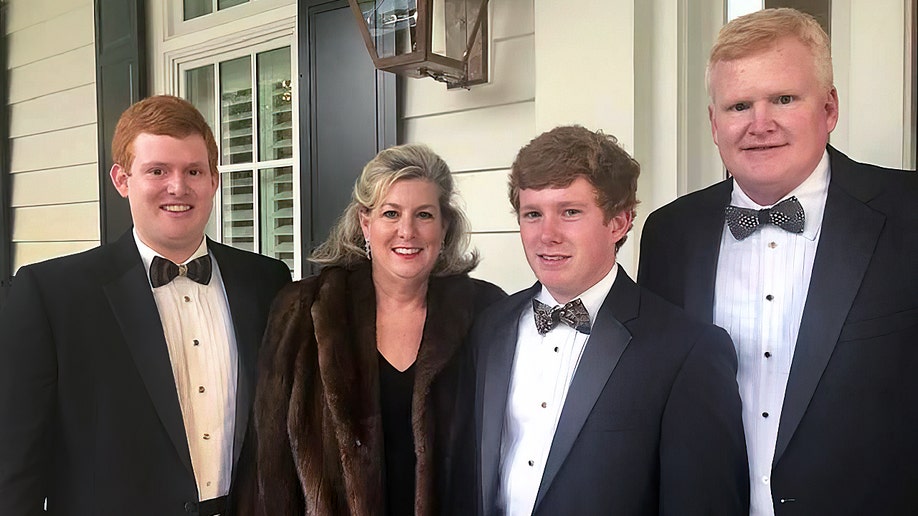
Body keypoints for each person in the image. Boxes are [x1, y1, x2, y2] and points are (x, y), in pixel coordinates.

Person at [638, 8, 918, 516]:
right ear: (714, 123)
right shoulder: (668, 234)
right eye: (739, 105)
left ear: (829, 109)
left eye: (784, 99)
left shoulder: (910, 214)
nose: (759, 124)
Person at [0, 95, 291, 516]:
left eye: (194, 171)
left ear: (214, 181)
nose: (179, 187)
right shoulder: (51, 295)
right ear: (122, 180)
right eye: (158, 171)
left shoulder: (267, 282)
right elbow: (15, 464)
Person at [464, 125, 748, 515]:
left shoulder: (687, 350)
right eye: (533, 214)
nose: (546, 235)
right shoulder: (491, 326)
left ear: (618, 222)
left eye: (570, 212)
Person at [251, 143, 505, 515]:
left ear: (444, 225)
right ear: (365, 223)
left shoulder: (486, 312)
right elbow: (268, 462)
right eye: (391, 213)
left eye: (424, 215)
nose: (407, 231)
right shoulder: (304, 310)